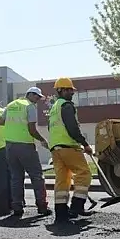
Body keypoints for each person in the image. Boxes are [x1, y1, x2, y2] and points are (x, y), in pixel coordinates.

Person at [0, 87, 51, 217]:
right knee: (37, 176)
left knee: (16, 177)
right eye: (37, 97)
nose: (38, 100)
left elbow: (0, 121)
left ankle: (17, 207)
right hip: (25, 146)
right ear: (30, 95)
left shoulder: (11, 105)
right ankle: (42, 206)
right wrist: (43, 140)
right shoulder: (29, 106)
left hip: (10, 146)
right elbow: (32, 129)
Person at [47, 78, 93, 224]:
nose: (72, 93)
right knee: (84, 173)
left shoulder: (54, 108)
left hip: (56, 149)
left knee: (62, 180)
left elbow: (50, 128)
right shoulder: (66, 106)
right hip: (68, 146)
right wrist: (85, 143)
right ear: (61, 90)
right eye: (69, 90)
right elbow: (72, 128)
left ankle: (61, 213)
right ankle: (77, 206)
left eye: (72, 90)